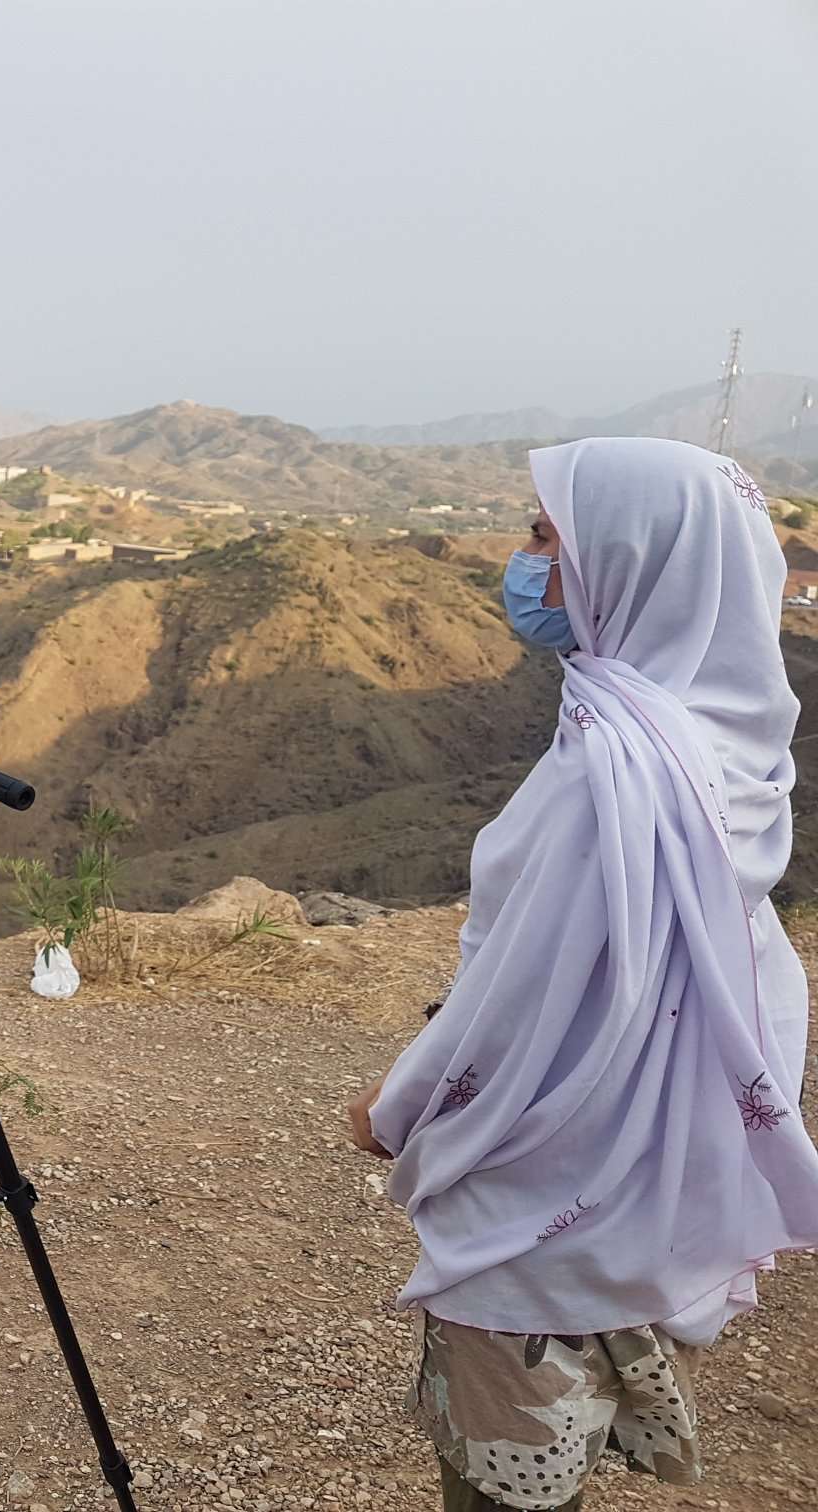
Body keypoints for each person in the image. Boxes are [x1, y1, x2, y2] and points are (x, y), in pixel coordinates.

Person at [346, 437, 818, 1509]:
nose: (525, 562)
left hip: (542, 1194)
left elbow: (513, 1003)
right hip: (642, 1165)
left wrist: (398, 1108)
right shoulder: (731, 740)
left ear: (632, 560)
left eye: (544, 536)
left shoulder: (611, 773)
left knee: (507, 1484)